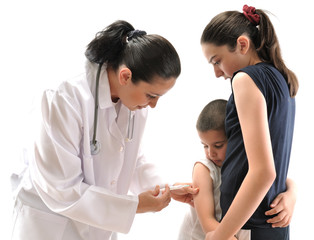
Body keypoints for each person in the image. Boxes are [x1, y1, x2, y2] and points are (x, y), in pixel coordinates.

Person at [10, 20, 197, 240]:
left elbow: (131, 159)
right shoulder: (64, 98)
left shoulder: (133, 104)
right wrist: (134, 206)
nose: (153, 105)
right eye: (151, 95)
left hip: (96, 226)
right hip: (48, 226)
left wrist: (166, 188)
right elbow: (61, 189)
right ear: (125, 76)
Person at [201, 5, 298, 240]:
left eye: (217, 61)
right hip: (268, 225)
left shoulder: (245, 79)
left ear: (242, 45)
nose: (216, 72)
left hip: (247, 226)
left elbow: (264, 172)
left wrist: (220, 235)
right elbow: (271, 158)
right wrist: (292, 190)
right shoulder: (281, 78)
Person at [177, 99, 297, 240]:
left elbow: (276, 177)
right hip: (202, 236)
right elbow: (207, 222)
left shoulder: (243, 163)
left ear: (235, 139)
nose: (211, 153)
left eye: (218, 145)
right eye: (205, 146)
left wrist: (291, 194)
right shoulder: (203, 169)